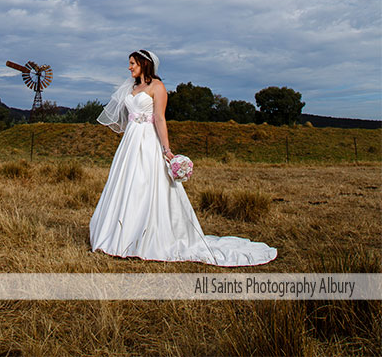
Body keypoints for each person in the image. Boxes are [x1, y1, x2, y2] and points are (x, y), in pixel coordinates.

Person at [89, 49, 277, 266]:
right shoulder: (132, 88)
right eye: (129, 63)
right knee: (125, 183)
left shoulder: (157, 87)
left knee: (147, 183)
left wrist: (167, 149)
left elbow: (159, 118)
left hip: (148, 140)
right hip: (130, 142)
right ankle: (118, 236)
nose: (129, 67)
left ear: (144, 64)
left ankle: (147, 237)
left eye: (133, 63)